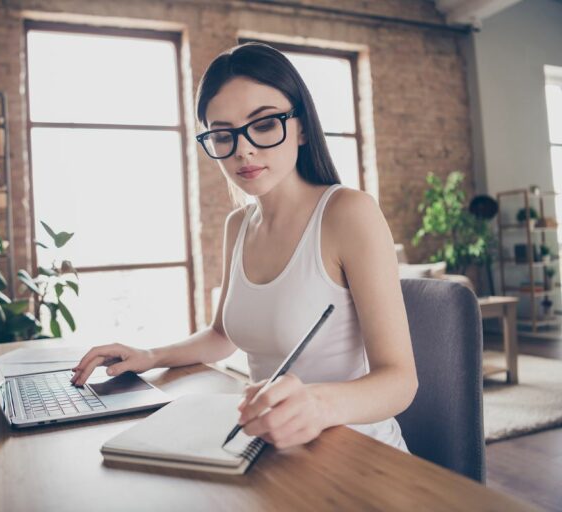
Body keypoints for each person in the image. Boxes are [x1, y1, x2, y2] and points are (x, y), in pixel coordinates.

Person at [72, 42, 418, 451]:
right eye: (222, 134)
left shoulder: (348, 213)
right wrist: (150, 355)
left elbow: (400, 380)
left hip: (357, 451)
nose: (243, 150)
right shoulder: (238, 225)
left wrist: (318, 405)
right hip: (266, 448)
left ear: (302, 126)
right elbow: (222, 336)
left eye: (265, 124)